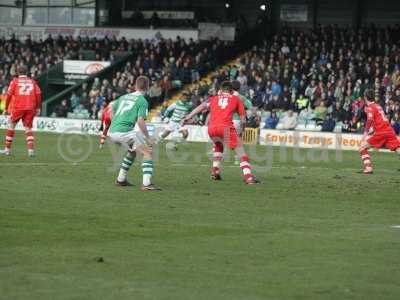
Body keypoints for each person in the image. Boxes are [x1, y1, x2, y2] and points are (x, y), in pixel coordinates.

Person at [183, 81, 259, 185]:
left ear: (221, 90)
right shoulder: (236, 99)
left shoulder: (213, 98)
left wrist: (187, 117)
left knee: (218, 146)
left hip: (212, 128)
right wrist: (243, 129)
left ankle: (215, 171)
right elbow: (243, 120)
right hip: (226, 127)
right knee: (240, 151)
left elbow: (201, 107)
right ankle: (249, 177)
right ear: (232, 91)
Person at [107, 76, 161, 191]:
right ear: (147, 87)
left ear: (135, 86)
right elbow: (140, 121)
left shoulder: (123, 97)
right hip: (124, 132)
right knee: (147, 152)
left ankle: (121, 180)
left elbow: (110, 111)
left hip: (112, 132)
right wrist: (148, 137)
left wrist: (115, 123)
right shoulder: (142, 101)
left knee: (132, 152)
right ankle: (146, 184)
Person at [1, 65, 41, 157]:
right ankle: (31, 151)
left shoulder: (14, 82)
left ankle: (7, 150)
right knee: (28, 129)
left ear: (18, 72)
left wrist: (6, 108)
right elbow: (39, 94)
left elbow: (9, 95)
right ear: (26, 72)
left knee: (11, 126)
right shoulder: (33, 82)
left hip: (18, 107)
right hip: (30, 108)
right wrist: (38, 108)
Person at [359, 89, 400, 174]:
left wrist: (365, 134)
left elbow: (369, 120)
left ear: (365, 98)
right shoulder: (378, 106)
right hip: (389, 131)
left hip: (381, 133)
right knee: (397, 148)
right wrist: (371, 131)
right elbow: (380, 120)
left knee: (362, 147)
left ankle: (368, 168)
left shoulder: (370, 107)